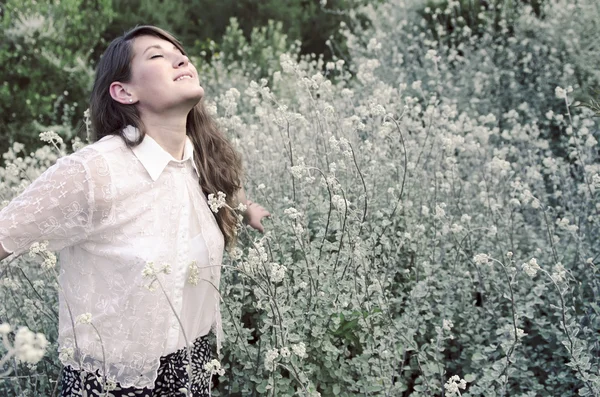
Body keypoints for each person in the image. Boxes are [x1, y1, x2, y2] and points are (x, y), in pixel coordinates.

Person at [0, 25, 270, 396]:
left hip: (193, 372)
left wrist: (249, 208)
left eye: (180, 53)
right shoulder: (94, 172)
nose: (180, 58)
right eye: (157, 56)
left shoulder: (202, 161)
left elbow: (227, 190)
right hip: (114, 384)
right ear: (123, 91)